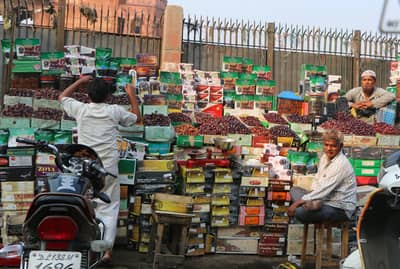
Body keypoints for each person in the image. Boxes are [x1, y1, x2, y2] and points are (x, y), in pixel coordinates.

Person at [58, 75, 140, 264]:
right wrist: (131, 95)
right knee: (109, 207)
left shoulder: (81, 109)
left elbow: (62, 97)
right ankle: (105, 252)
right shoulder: (114, 111)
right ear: (108, 96)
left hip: (85, 166)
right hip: (107, 168)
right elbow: (136, 118)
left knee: (84, 204)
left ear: (88, 94)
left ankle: (83, 246)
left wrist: (79, 81)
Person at [288, 129, 357, 223]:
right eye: (326, 145)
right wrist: (311, 196)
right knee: (294, 190)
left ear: (340, 146)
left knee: (299, 212)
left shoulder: (341, 164)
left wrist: (299, 202)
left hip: (338, 207)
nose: (329, 148)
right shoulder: (325, 157)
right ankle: (313, 205)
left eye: (333, 146)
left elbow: (325, 189)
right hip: (324, 199)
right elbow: (318, 178)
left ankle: (312, 206)